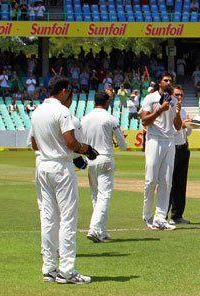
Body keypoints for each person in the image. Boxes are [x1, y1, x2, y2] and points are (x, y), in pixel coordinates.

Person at [29, 76, 99, 284]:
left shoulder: (37, 111)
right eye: (69, 93)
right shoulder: (62, 111)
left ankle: (49, 268)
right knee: (68, 218)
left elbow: (33, 144)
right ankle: (67, 270)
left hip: (43, 167)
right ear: (64, 91)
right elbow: (71, 143)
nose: (70, 97)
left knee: (48, 218)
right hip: (60, 167)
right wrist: (87, 150)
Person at [80, 90, 127, 243]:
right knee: (104, 196)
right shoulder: (110, 118)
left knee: (96, 197)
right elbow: (123, 145)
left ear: (94, 102)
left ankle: (101, 231)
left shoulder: (84, 118)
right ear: (107, 103)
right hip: (105, 158)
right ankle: (94, 229)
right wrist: (122, 141)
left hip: (90, 160)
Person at [140, 72, 183, 230]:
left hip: (169, 141)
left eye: (170, 80)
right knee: (151, 180)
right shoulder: (150, 98)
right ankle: (147, 216)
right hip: (154, 139)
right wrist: (159, 110)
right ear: (159, 82)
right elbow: (144, 120)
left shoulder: (173, 100)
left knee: (166, 181)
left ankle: (160, 217)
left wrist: (177, 111)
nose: (168, 82)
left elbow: (177, 126)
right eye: (165, 80)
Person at [168, 86, 192, 225]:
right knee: (168, 183)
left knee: (181, 184)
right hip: (172, 148)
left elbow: (187, 133)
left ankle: (177, 215)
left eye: (181, 95)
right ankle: (163, 215)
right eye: (177, 94)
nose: (180, 97)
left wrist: (189, 125)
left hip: (183, 147)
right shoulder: (168, 110)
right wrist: (183, 125)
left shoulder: (183, 111)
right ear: (171, 95)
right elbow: (169, 130)